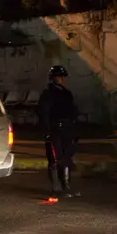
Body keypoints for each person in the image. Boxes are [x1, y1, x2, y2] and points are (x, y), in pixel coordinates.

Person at [38, 65, 80, 198]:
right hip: (54, 128)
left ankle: (66, 186)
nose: (60, 79)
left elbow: (73, 112)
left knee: (67, 157)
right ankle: (56, 188)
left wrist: (74, 130)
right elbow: (43, 113)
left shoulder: (67, 94)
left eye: (61, 77)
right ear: (52, 78)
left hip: (67, 128)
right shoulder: (48, 94)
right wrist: (47, 130)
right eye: (57, 76)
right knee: (55, 158)